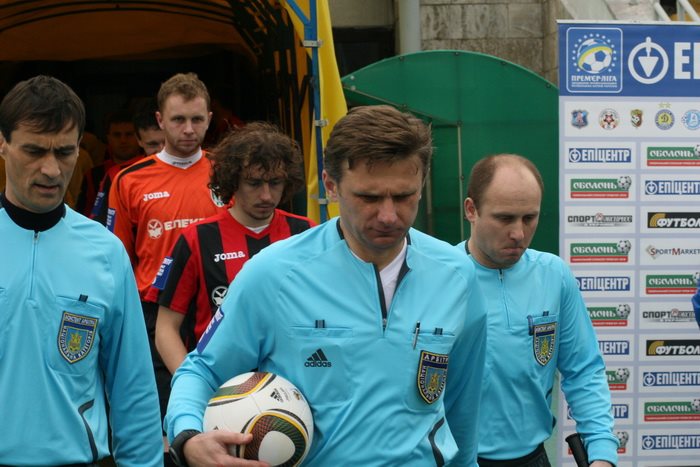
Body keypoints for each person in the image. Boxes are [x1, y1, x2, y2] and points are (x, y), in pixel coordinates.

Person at [164, 105, 487, 466]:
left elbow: (463, 406)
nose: (388, 215)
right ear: (331, 186)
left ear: (422, 184)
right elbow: (202, 371)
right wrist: (188, 438)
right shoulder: (273, 274)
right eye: (369, 197)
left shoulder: (458, 276)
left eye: (403, 196)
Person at [0, 75, 163, 465]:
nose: (51, 170)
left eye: (64, 152)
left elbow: (133, 387)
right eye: (34, 150)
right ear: (2, 144)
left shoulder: (106, 252)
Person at [458, 154, 618, 467]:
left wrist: (602, 452)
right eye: (504, 218)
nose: (518, 233)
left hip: (534, 458)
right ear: (471, 210)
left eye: (529, 218)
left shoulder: (554, 275)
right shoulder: (441, 278)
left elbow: (583, 369)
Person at [107, 72, 226, 464]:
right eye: (178, 119)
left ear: (209, 119)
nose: (188, 129)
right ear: (160, 120)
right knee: (162, 420)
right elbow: (116, 258)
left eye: (197, 119)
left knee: (222, 413)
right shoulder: (129, 179)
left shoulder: (227, 171)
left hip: (218, 309)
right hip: (153, 314)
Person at [147, 121, 316, 375]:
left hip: (293, 385)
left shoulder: (306, 233)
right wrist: (191, 384)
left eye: (275, 182)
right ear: (233, 180)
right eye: (254, 183)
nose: (266, 195)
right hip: (221, 386)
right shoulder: (197, 238)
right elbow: (166, 328)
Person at [90, 105, 165, 225]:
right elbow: (100, 224)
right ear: (139, 141)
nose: (161, 150)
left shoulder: (195, 170)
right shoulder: (118, 175)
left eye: (167, 143)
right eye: (152, 145)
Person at [76, 109, 142, 215]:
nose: (123, 140)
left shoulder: (152, 169)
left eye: (129, 134)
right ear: (108, 138)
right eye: (117, 135)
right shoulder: (94, 175)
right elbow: (85, 214)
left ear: (139, 136)